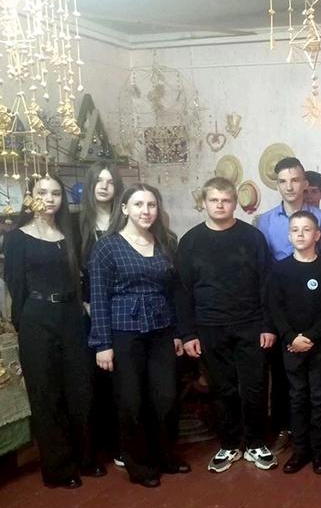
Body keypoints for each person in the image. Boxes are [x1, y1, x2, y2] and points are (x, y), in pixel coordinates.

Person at [4, 175, 103, 489]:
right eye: (42, 192)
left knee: (81, 388)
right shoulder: (16, 238)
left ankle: (86, 458)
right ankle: (59, 469)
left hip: (71, 315)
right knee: (46, 393)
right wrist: (24, 324)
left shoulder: (69, 233)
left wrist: (85, 304)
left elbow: (80, 274)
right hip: (37, 317)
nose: (49, 198)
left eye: (56, 193)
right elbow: (16, 287)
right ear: (30, 196)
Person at [89, 183, 190, 488]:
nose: (146, 211)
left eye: (151, 205)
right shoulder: (107, 246)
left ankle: (165, 455)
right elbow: (98, 296)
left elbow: (173, 291)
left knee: (165, 397)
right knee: (131, 401)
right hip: (124, 331)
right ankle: (139, 464)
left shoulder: (165, 243)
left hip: (161, 329)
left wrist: (176, 332)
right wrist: (102, 344)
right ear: (125, 209)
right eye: (138, 205)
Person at [175, 177, 278, 473]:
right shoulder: (190, 241)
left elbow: (266, 284)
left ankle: (256, 442)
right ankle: (230, 444)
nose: (220, 205)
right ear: (204, 203)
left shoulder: (252, 237)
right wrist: (188, 333)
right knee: (222, 389)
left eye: (226, 200)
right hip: (210, 327)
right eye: (214, 200)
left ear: (235, 203)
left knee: (254, 387)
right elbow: (182, 290)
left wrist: (268, 325)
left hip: (250, 325)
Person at [254, 157, 321, 455]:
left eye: (295, 180)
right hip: (284, 314)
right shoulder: (264, 221)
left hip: (316, 311)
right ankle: (286, 432)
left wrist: (317, 331)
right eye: (283, 181)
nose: (289, 186)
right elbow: (264, 272)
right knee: (286, 383)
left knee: (319, 387)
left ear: (305, 183)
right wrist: (281, 329)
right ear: (277, 185)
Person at [268, 211, 321, 475]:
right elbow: (275, 308)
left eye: (307, 229)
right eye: (295, 230)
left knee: (320, 398)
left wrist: (311, 337)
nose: (300, 234)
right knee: (297, 397)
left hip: (320, 346)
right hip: (291, 346)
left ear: (317, 235)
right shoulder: (280, 270)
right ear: (289, 236)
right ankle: (300, 451)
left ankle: (319, 451)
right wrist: (291, 337)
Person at [78, 161, 123, 466]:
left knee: (122, 379)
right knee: (96, 380)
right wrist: (87, 304)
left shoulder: (126, 219)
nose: (104, 186)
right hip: (88, 311)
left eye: (110, 181)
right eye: (99, 181)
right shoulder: (76, 223)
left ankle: (123, 442)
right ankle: (102, 444)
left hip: (122, 309)